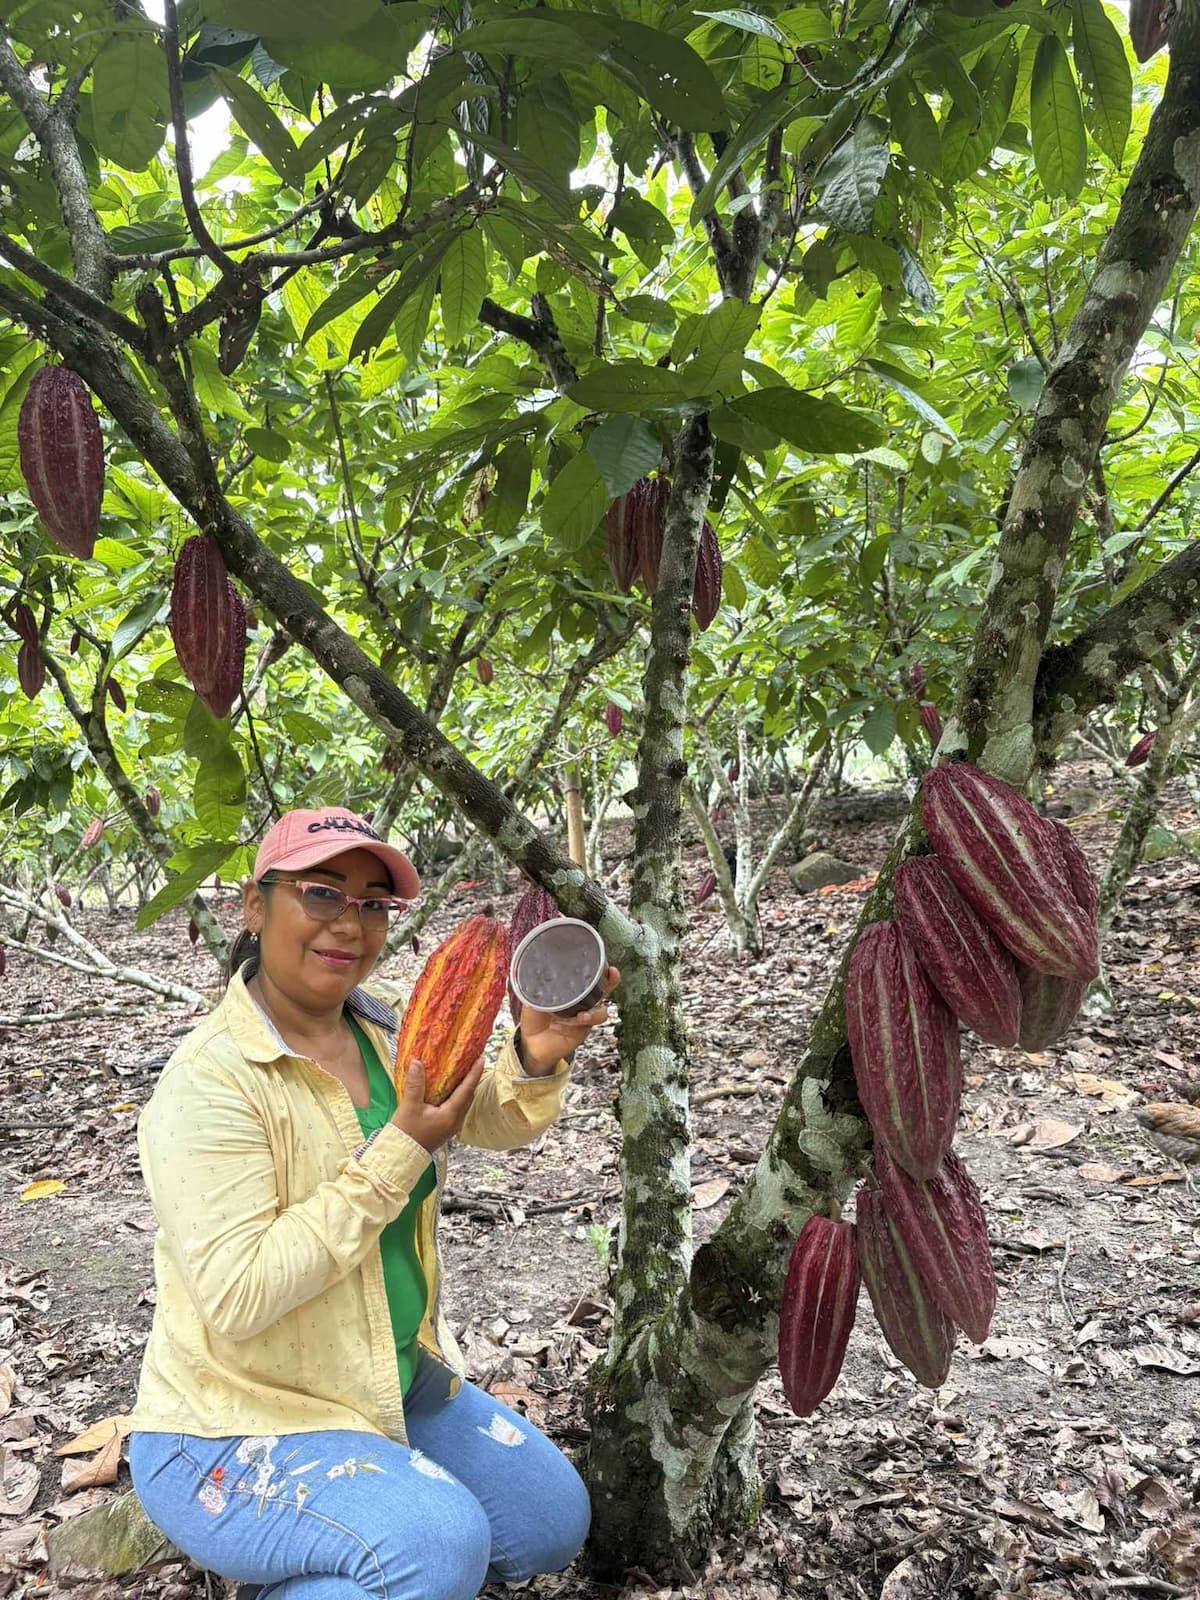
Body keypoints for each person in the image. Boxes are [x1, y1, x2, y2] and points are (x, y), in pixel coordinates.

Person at [127, 807, 618, 1600]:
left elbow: (471, 1112)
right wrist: (401, 1149)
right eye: (322, 894)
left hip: (381, 1378)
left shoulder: (381, 1024)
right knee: (440, 1544)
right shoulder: (209, 1083)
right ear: (256, 906)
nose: (349, 925)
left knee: (549, 1521)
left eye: (372, 904)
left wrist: (532, 1052)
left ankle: (338, 1552)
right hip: (234, 1418)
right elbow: (239, 1294)